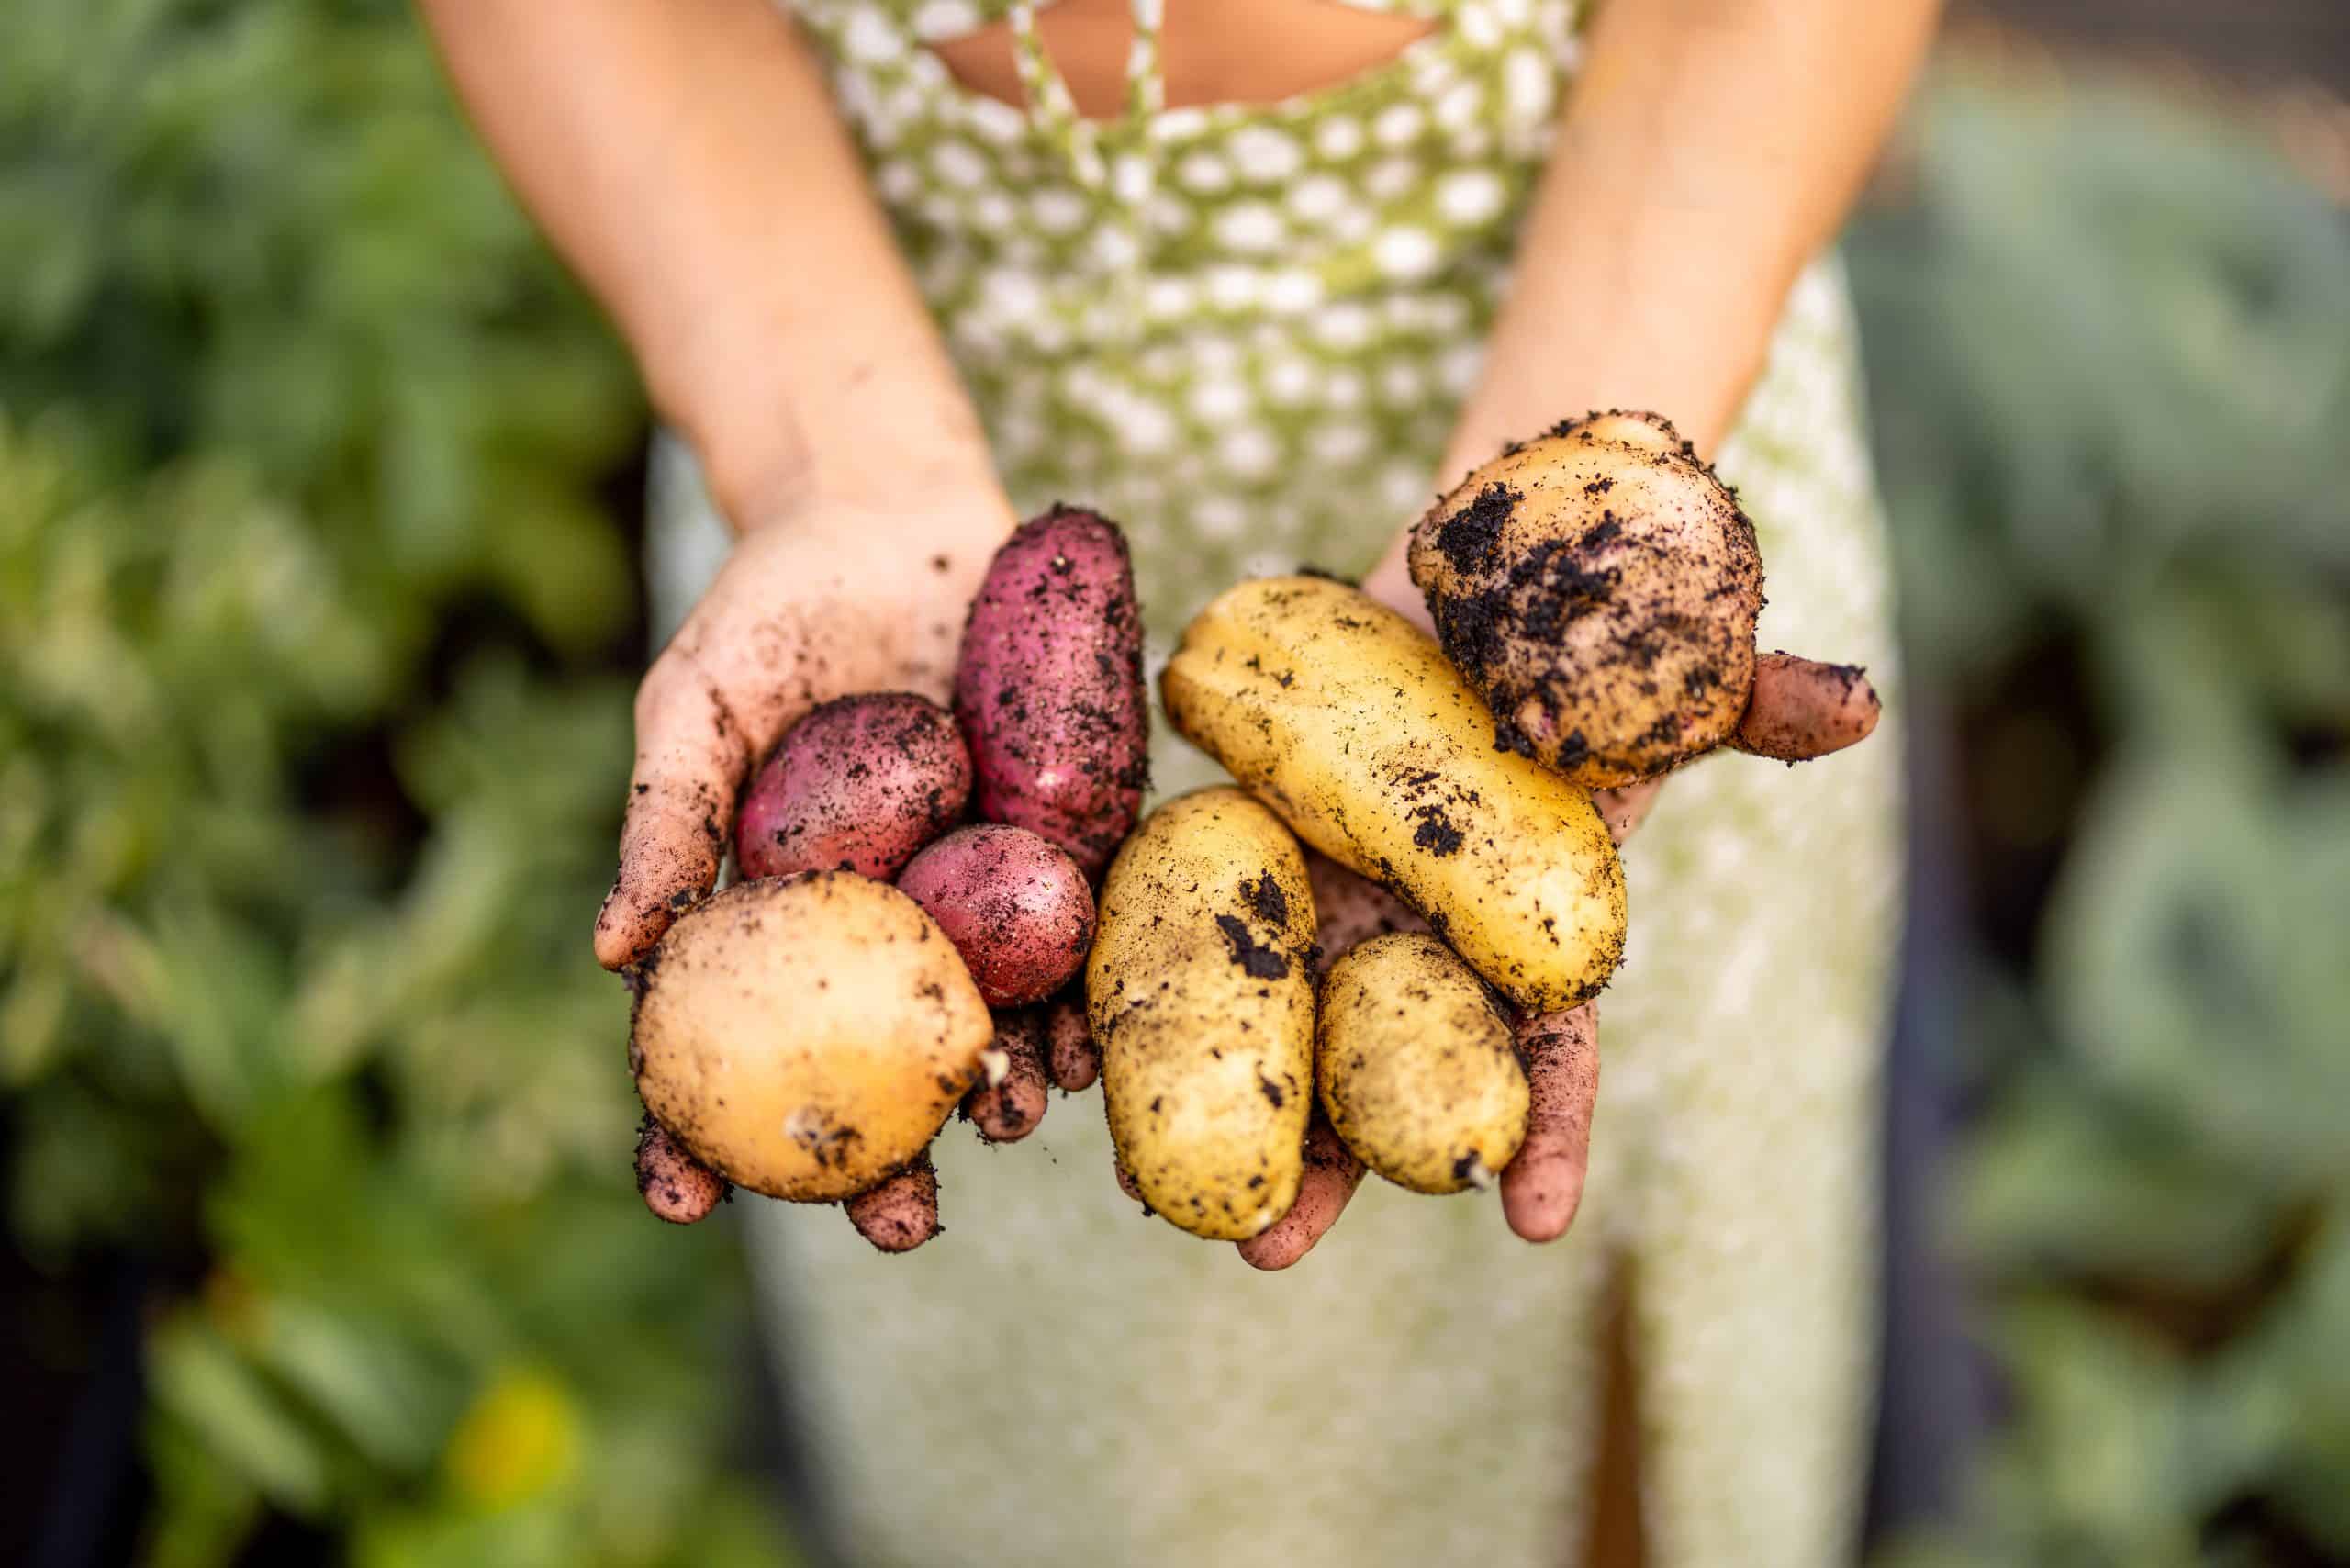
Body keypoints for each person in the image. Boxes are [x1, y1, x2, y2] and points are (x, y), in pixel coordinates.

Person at [420, 0, 1938, 1562]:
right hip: (864, 470)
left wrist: (1567, 543)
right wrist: (828, 463)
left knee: (1608, 1409)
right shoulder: (906, 724)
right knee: (1092, 1461)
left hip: (1578, 511)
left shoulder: (1563, 591)